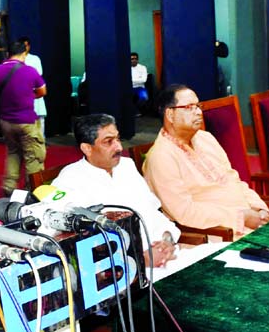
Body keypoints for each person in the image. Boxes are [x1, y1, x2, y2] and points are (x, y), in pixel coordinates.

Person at [142, 84, 269, 239]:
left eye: (198, 106)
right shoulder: (161, 157)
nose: (198, 112)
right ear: (170, 114)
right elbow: (185, 212)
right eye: (189, 107)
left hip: (250, 222)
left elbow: (234, 180)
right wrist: (240, 217)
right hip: (216, 235)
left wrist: (259, 209)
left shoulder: (206, 138)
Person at [51, 114, 180, 268]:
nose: (119, 147)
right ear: (87, 148)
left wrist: (167, 240)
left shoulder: (126, 166)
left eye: (118, 139)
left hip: (166, 257)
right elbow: (79, 248)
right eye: (108, 142)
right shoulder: (69, 181)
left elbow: (151, 210)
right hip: (122, 273)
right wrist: (139, 260)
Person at [0, 40, 46, 195]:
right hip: (27, 121)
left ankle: (9, 187)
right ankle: (32, 190)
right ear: (24, 54)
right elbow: (42, 91)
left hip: (6, 121)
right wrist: (28, 96)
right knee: (33, 156)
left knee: (13, 152)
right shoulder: (30, 71)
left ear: (7, 54)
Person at [19, 36, 47, 138]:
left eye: (26, 45)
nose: (24, 48)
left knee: (39, 118)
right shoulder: (15, 60)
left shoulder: (35, 59)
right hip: (21, 94)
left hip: (34, 91)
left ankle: (41, 140)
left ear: (29, 46)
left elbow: (38, 74)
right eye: (22, 46)